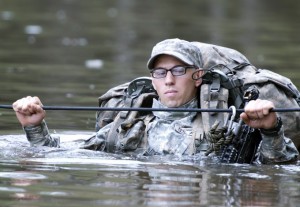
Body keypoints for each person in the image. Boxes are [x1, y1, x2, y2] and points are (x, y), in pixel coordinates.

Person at [12, 38, 299, 164]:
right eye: (160, 72)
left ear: (197, 76)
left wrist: (270, 130)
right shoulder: (131, 125)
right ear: (153, 79)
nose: (169, 80)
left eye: (178, 71)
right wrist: (35, 127)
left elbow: (278, 166)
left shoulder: (225, 125)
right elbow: (57, 155)